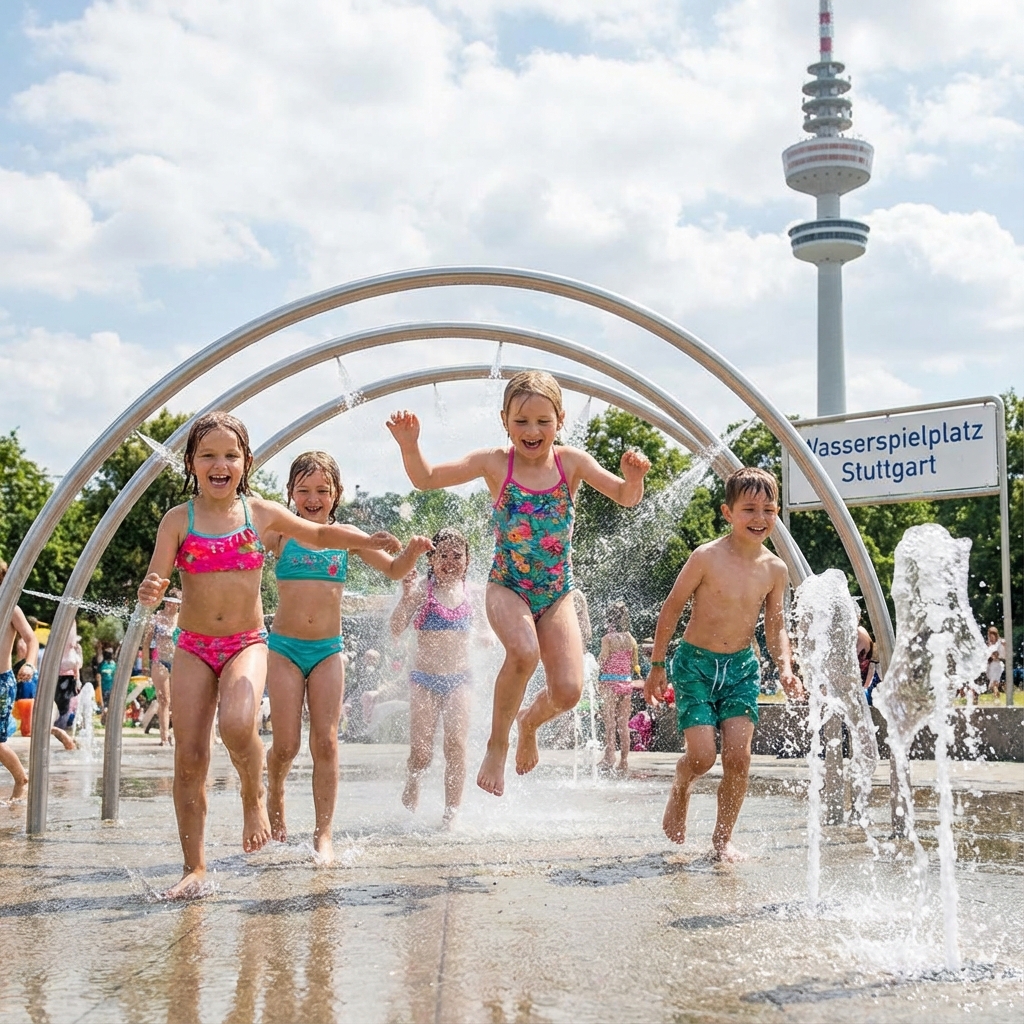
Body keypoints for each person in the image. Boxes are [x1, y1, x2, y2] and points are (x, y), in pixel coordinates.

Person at [137, 411, 404, 898]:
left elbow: (321, 535)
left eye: (230, 456)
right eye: (208, 455)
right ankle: (194, 866)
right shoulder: (179, 520)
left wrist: (367, 540)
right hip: (194, 646)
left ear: (246, 463)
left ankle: (253, 793)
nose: (220, 464)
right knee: (189, 756)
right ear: (192, 464)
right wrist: (151, 590)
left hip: (247, 642)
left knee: (238, 724)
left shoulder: (259, 515)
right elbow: (155, 582)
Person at [387, 370, 651, 796]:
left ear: (560, 419)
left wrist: (633, 478)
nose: (532, 431)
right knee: (524, 652)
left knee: (567, 691)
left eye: (543, 421)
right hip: (507, 585)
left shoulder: (572, 463)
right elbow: (427, 477)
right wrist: (410, 446)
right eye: (522, 421)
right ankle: (497, 742)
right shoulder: (495, 462)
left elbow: (624, 496)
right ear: (504, 420)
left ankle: (528, 722)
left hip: (557, 592)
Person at [264, 451, 430, 864]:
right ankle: (276, 788)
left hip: (327, 651)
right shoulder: (280, 534)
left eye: (322, 489)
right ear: (290, 493)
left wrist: (410, 552)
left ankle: (323, 834)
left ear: (336, 493)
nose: (313, 497)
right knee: (284, 745)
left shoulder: (347, 535)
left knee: (327, 741)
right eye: (303, 490)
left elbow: (393, 570)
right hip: (284, 649)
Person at [645, 467, 805, 862]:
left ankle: (722, 841)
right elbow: (672, 608)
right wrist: (657, 663)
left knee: (738, 757)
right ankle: (681, 786)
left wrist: (785, 667)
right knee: (701, 757)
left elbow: (776, 627)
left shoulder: (775, 569)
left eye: (768, 510)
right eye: (749, 509)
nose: (759, 518)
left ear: (777, 513)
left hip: (741, 669)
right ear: (727, 512)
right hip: (695, 665)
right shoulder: (707, 557)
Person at [390, 527, 484, 827]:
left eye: (458, 555)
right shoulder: (421, 590)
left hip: (460, 680)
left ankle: (451, 814)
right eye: (443, 555)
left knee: (456, 744)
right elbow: (394, 629)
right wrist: (405, 598)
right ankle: (413, 779)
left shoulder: (474, 593)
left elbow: (487, 626)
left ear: (467, 560)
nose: (450, 561)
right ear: (431, 560)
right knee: (421, 753)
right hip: (424, 680)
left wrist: (487, 634)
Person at [0, 559, 40, 799]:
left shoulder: (10, 608)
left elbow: (31, 639)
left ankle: (20, 778)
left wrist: (30, 663)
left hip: (2, 682)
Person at [598, 600, 639, 773]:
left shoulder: (607, 639)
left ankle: (609, 757)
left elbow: (603, 659)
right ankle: (624, 761)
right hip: (626, 682)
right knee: (623, 725)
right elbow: (634, 664)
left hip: (610, 682)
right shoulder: (631, 639)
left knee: (610, 724)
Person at [142, 589, 181, 745]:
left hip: (179, 662)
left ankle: (177, 734)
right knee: (164, 699)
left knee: (179, 700)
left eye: (177, 603)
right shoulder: (156, 619)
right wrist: (145, 664)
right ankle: (164, 737)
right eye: (171, 602)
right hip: (160, 660)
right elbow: (146, 643)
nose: (173, 605)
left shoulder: (182, 619)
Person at [986, 626, 1006, 695]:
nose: (990, 638)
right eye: (989, 636)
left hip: (996, 665)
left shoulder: (1000, 643)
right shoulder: (989, 644)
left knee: (994, 683)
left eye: (991, 636)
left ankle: (997, 699)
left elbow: (1004, 655)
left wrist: (996, 656)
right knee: (993, 684)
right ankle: (996, 698)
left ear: (995, 635)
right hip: (990, 666)